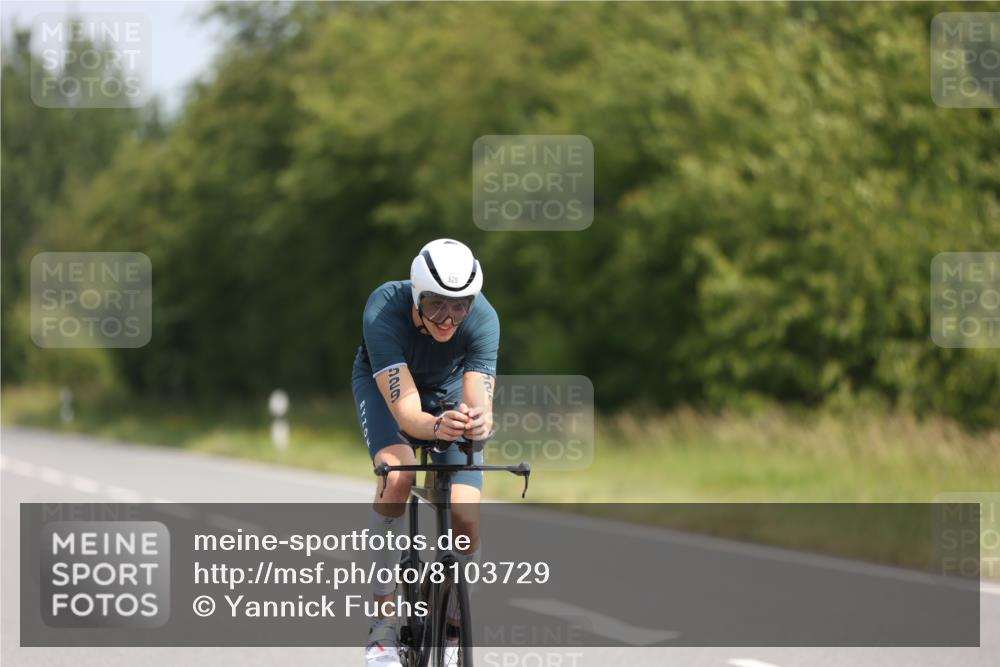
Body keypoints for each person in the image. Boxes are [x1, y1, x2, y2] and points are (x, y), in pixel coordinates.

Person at [352, 238, 498, 667]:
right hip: (390, 393)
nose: (448, 318)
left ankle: (451, 629)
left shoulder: (484, 317)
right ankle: (382, 625)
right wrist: (435, 427)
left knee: (465, 515)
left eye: (459, 306)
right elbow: (407, 412)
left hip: (448, 392)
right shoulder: (383, 309)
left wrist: (479, 421)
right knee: (397, 477)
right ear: (417, 295)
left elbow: (477, 399)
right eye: (436, 305)